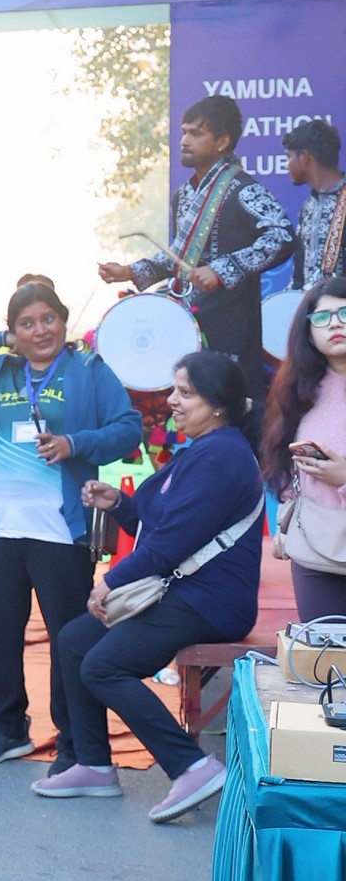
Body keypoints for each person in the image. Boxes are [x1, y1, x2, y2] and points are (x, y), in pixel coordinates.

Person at [51, 350, 263, 820]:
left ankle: (192, 767)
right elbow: (160, 525)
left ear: (219, 405)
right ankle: (93, 764)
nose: (172, 401)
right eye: (175, 390)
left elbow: (169, 544)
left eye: (185, 393)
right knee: (75, 641)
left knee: (103, 665)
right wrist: (119, 504)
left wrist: (109, 582)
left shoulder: (220, 456)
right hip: (185, 592)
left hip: (210, 601)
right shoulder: (204, 450)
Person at [0, 280, 141, 768]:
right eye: (26, 323)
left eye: (48, 318)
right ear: (14, 331)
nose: (40, 330)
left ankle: (73, 742)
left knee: (67, 639)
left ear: (64, 320)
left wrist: (75, 444)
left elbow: (128, 428)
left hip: (60, 530)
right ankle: (8, 729)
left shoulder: (88, 369)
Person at [98, 94, 292, 432]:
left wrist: (223, 270)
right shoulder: (185, 194)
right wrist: (130, 272)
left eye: (196, 133)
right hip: (187, 324)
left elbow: (283, 235)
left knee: (231, 417)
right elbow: (180, 255)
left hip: (231, 325)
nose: (184, 140)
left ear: (222, 142)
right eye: (184, 132)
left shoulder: (243, 189)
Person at [260, 273, 346, 622]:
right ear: (308, 333)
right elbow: (281, 464)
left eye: (345, 313)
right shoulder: (296, 392)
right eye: (322, 317)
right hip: (315, 550)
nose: (335, 324)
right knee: (324, 653)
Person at [285, 119, 345, 288]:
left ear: (305, 157)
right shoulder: (308, 208)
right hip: (313, 302)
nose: (286, 165)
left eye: (288, 157)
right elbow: (299, 276)